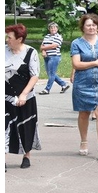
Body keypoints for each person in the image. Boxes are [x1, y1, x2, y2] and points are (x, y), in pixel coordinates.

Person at [70, 13, 98, 160]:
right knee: (84, 113)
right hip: (83, 82)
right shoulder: (76, 43)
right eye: (88, 25)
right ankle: (83, 141)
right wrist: (94, 63)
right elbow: (76, 64)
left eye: (94, 25)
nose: (91, 27)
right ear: (83, 27)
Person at [5, 24, 41, 169]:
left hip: (25, 96)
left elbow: (34, 76)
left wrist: (24, 94)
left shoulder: (30, 52)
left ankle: (27, 155)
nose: (7, 40)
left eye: (9, 37)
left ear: (19, 39)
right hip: (5, 96)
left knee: (26, 126)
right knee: (3, 127)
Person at [36, 22, 69, 95]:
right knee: (50, 74)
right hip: (46, 57)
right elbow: (41, 46)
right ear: (49, 29)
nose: (53, 29)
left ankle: (47, 89)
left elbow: (54, 46)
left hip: (54, 57)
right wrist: (43, 51)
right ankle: (64, 84)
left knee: (51, 74)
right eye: (51, 28)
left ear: (57, 29)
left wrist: (44, 48)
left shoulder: (58, 37)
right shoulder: (47, 36)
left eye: (54, 27)